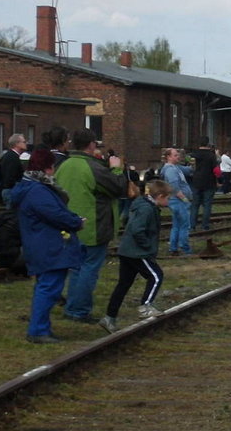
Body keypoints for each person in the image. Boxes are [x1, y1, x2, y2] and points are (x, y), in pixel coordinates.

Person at [10, 148, 86, 343]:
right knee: (49, 288)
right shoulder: (38, 190)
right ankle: (38, 330)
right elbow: (54, 214)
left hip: (42, 244)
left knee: (46, 287)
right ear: (48, 167)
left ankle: (41, 328)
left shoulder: (31, 187)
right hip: (48, 246)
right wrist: (76, 222)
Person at [54, 129, 129, 323]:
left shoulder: (63, 165)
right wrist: (116, 168)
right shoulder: (93, 167)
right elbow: (118, 188)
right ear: (92, 144)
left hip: (67, 225)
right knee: (88, 269)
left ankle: (72, 306)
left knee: (75, 269)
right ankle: (78, 310)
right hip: (92, 226)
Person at [101, 178, 171, 332]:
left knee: (123, 284)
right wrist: (147, 246)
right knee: (156, 276)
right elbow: (137, 229)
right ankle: (145, 306)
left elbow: (128, 221)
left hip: (127, 251)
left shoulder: (141, 206)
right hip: (137, 252)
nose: (169, 201)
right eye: (168, 198)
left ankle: (109, 317)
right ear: (160, 196)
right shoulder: (147, 209)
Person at [160, 147, 194, 254]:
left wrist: (192, 162)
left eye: (178, 155)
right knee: (184, 224)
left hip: (176, 200)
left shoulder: (175, 167)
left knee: (177, 225)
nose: (178, 157)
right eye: (175, 155)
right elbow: (174, 188)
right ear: (168, 157)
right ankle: (185, 248)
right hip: (178, 201)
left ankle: (173, 248)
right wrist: (185, 199)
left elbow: (189, 170)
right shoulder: (170, 170)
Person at [189, 136, 218, 231]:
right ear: (208, 143)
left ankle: (192, 225)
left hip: (196, 182)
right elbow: (216, 170)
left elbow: (189, 166)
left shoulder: (194, 154)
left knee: (195, 204)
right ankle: (205, 225)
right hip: (209, 182)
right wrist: (220, 179)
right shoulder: (211, 155)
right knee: (207, 205)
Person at [0, 133, 27, 205]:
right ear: (17, 144)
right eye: (24, 142)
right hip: (11, 191)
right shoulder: (12, 157)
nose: (26, 143)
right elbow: (9, 177)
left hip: (9, 190)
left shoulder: (9, 156)